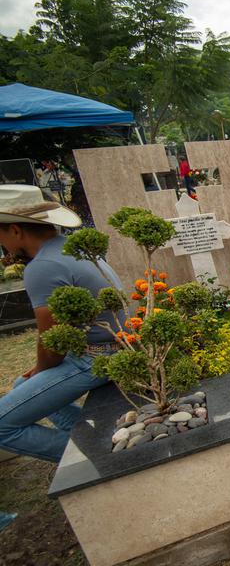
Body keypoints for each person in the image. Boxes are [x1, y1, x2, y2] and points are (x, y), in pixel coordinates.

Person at [0, 185, 125, 462]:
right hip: (111, 345)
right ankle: (100, 437)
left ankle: (94, 455)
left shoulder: (42, 266)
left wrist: (43, 368)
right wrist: (39, 370)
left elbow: (53, 338)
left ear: (16, 231)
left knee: (2, 426)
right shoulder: (75, 246)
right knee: (23, 383)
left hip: (97, 357)